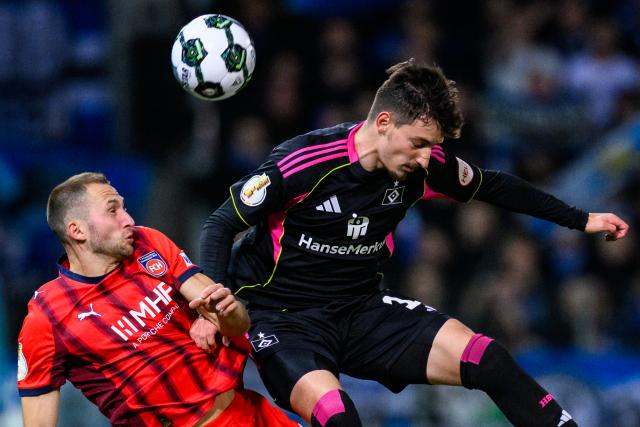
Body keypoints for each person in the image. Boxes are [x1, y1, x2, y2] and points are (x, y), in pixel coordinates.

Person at [198, 60, 629, 427]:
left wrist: (581, 219)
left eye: (433, 147)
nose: (427, 157)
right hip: (283, 319)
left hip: (361, 309)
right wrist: (211, 310)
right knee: (340, 417)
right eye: (419, 144)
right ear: (383, 123)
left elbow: (493, 186)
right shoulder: (304, 163)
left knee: (488, 358)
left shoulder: (423, 164)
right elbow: (219, 225)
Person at [17, 172, 300, 427]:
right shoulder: (47, 317)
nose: (128, 219)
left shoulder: (147, 242)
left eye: (124, 207)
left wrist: (227, 311)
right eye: (113, 211)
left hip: (249, 409)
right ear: (77, 230)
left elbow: (235, 323)